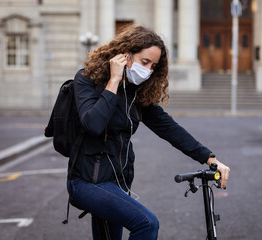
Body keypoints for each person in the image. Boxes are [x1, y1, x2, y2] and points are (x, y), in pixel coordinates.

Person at [67, 25, 230, 240]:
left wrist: (209, 158)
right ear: (125, 55)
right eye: (145, 62)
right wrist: (114, 81)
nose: (148, 70)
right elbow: (93, 124)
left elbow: (168, 128)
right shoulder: (87, 79)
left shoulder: (136, 94)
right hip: (87, 182)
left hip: (117, 184)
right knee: (146, 224)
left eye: (153, 66)